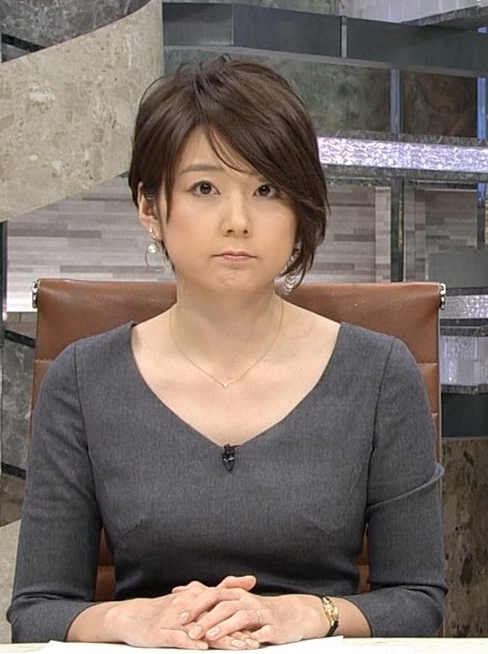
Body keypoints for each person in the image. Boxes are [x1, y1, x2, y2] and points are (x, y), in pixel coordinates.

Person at [8, 56, 446, 646]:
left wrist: (311, 613)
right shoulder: (82, 380)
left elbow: (419, 602)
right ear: (149, 207)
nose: (238, 221)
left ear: (299, 210)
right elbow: (37, 612)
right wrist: (130, 620)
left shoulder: (380, 374)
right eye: (205, 188)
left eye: (266, 189)